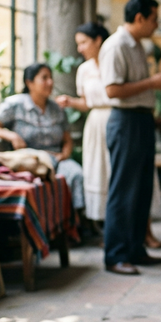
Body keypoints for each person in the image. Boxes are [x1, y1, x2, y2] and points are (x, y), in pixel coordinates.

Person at [98, 0, 161, 276]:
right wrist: (152, 82)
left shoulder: (138, 45)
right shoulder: (116, 46)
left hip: (141, 119)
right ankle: (115, 255)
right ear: (139, 18)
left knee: (140, 189)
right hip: (126, 120)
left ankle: (135, 249)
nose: (157, 24)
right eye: (154, 18)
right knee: (123, 188)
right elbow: (112, 90)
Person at [0, 63, 85, 213]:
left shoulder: (57, 109)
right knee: (36, 184)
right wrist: (11, 135)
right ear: (29, 83)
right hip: (29, 160)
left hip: (56, 159)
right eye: (44, 78)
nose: (50, 82)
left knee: (76, 174)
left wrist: (64, 155)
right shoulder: (15, 104)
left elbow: (67, 139)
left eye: (51, 78)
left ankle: (75, 220)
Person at [56, 23, 112, 225]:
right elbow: (87, 104)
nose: (79, 48)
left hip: (117, 118)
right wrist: (70, 102)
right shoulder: (84, 69)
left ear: (98, 40)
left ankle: (141, 230)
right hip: (96, 124)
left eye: (83, 42)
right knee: (99, 171)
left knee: (119, 171)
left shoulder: (113, 62)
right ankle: (106, 227)